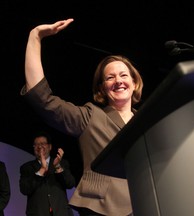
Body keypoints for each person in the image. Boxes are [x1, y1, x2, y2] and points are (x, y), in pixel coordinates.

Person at [21, 18, 144, 216]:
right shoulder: (90, 116)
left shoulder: (147, 122)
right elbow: (42, 99)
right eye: (110, 77)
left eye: (123, 75)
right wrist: (35, 36)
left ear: (134, 82)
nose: (118, 81)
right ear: (102, 88)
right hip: (102, 208)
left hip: (146, 203)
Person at [19, 131, 76, 216]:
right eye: (36, 144)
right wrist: (41, 170)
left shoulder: (61, 163)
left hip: (61, 212)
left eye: (43, 143)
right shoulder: (27, 167)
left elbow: (70, 184)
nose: (40, 147)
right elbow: (24, 189)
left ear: (50, 147)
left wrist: (57, 166)